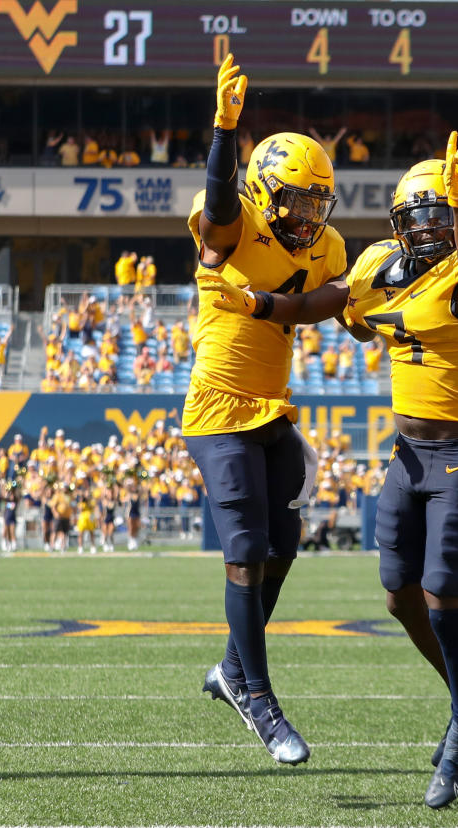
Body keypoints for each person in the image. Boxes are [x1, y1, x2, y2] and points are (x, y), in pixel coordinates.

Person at [199, 131, 458, 807]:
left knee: (441, 593)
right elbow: (321, 304)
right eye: (422, 215)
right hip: (408, 454)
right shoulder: (377, 265)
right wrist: (260, 305)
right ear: (400, 225)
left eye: (442, 215)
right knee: (398, 594)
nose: (431, 227)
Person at [185, 55, 346, 768]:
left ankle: (229, 668)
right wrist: (225, 128)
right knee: (246, 549)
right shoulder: (236, 221)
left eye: (318, 203)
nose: (309, 216)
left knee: (285, 545)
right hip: (218, 408)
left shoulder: (330, 247)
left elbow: (322, 303)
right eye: (297, 202)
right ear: (264, 191)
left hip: (272, 409)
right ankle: (259, 698)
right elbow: (219, 201)